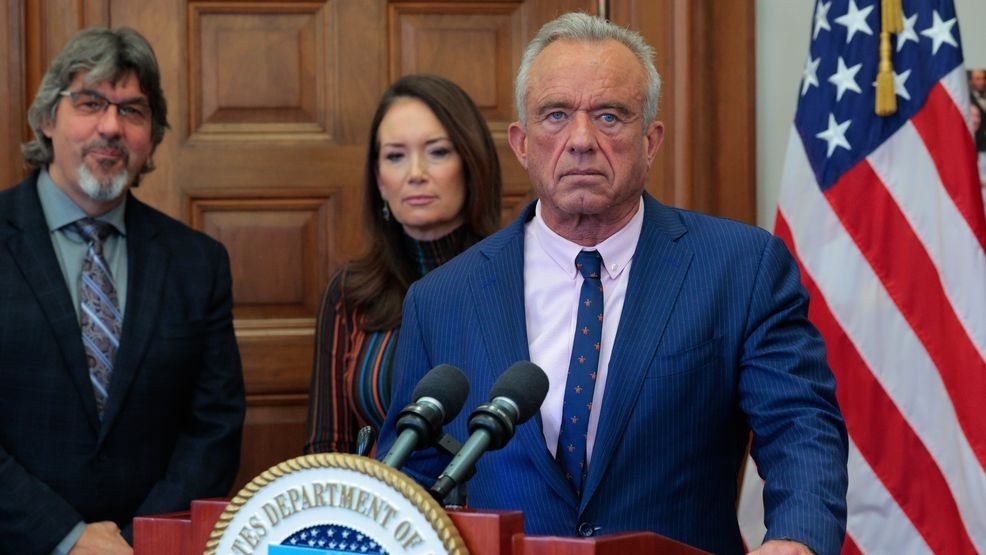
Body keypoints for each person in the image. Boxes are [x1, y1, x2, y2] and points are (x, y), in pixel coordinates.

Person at [376, 13, 848, 555]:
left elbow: (800, 427)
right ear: (522, 143)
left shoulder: (740, 268)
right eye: (556, 115)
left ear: (650, 140)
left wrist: (795, 540)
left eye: (609, 115)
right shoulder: (442, 299)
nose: (581, 140)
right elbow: (411, 480)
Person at [0, 27, 245, 554]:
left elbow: (214, 429)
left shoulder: (197, 263)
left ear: (151, 137)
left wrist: (139, 543)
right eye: (90, 103)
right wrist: (66, 538)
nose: (111, 127)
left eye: (132, 111)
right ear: (47, 119)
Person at [304, 74, 501, 455]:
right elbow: (328, 447)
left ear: (471, 164)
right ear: (380, 180)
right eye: (395, 156)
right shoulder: (350, 291)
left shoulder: (515, 276)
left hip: (490, 494)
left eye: (437, 152)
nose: (415, 174)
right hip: (379, 493)